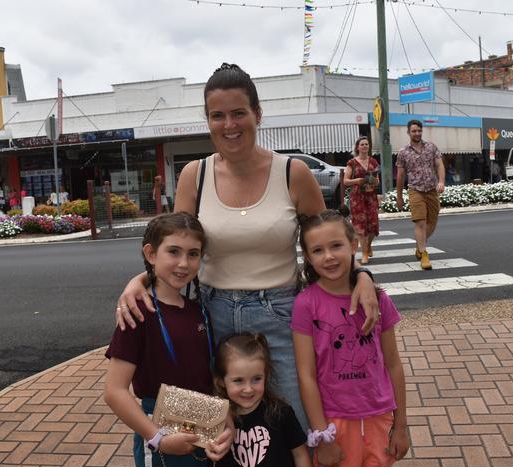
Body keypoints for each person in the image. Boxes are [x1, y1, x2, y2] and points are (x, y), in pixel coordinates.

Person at [115, 63, 380, 431]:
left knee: (295, 424)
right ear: (207, 120)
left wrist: (361, 274)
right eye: (217, 116)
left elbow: (329, 243)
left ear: (257, 114)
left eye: (239, 113)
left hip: (284, 314)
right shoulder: (196, 174)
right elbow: (174, 248)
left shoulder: (293, 173)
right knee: (220, 431)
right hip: (211, 316)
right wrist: (140, 281)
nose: (229, 124)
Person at [103, 213, 231, 467]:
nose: (184, 263)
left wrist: (226, 423)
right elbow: (114, 391)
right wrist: (157, 438)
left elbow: (209, 378)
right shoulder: (138, 314)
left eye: (193, 254)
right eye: (173, 252)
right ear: (150, 253)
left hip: (203, 423)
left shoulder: (200, 312)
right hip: (160, 428)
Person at [291, 210, 409, 467]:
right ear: (307, 257)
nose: (329, 257)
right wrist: (323, 436)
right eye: (317, 250)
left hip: (379, 417)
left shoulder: (378, 299)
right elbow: (305, 374)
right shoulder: (306, 304)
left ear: (354, 244)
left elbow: (393, 363)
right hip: (335, 423)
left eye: (336, 246)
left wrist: (400, 424)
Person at [213, 332, 312, 467]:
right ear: (221, 382)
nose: (248, 389)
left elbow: (301, 455)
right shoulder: (221, 425)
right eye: (238, 381)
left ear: (266, 375)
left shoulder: (281, 412)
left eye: (256, 379)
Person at [395, 119, 445, 270]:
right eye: (413, 131)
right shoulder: (403, 152)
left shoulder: (431, 147)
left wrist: (441, 181)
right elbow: (400, 176)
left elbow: (439, 165)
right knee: (420, 222)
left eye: (419, 131)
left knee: (432, 222)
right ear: (408, 132)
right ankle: (423, 254)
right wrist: (399, 197)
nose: (417, 133)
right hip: (415, 189)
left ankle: (419, 245)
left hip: (431, 189)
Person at [343, 136, 380, 265]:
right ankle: (364, 253)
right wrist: (357, 181)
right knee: (360, 225)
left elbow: (377, 179)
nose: (364, 146)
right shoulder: (352, 163)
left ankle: (368, 245)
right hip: (357, 197)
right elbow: (346, 181)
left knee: (373, 224)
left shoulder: (373, 162)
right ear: (358, 147)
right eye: (362, 144)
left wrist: (375, 181)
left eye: (366, 144)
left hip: (371, 196)